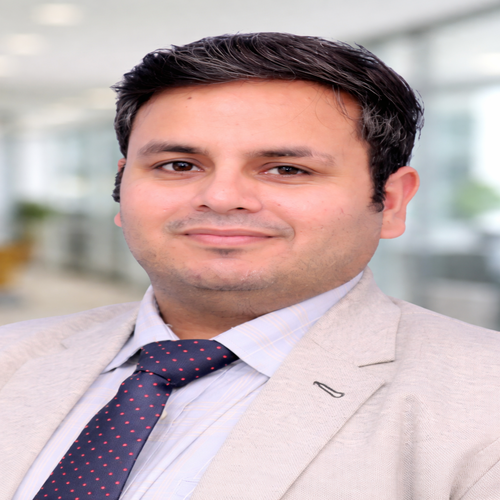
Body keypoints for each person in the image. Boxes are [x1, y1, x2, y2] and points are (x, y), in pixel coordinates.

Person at [1, 32, 499, 500]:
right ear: (123, 185)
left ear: (389, 202)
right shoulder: (13, 357)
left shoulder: (483, 403)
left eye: (287, 169)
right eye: (178, 165)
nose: (221, 197)